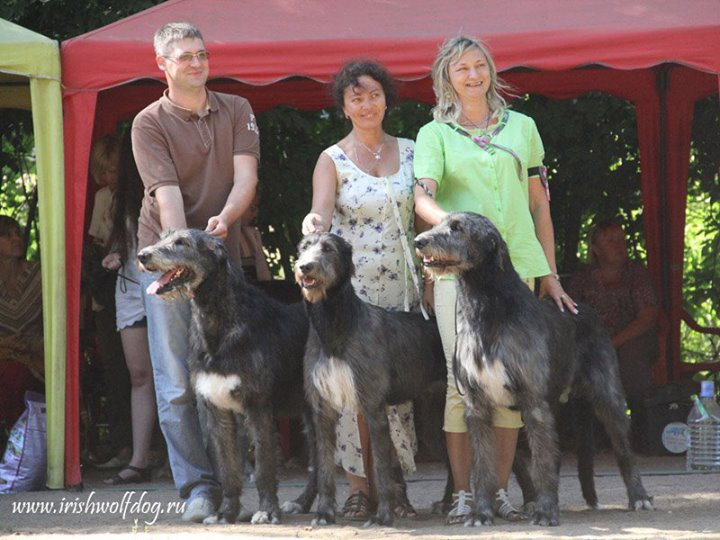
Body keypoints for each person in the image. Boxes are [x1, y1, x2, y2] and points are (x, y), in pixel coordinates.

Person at [413, 36, 577, 524]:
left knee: (516, 386)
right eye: (461, 68)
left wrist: (550, 274)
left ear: (491, 71)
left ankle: (497, 493)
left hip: (518, 269)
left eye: (479, 65)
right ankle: (466, 495)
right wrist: (453, 230)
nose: (472, 75)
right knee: (461, 386)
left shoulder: (524, 127)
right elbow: (422, 198)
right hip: (458, 273)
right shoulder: (433, 134)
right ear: (447, 77)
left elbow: (539, 204)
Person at [131, 22, 259, 522]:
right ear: (161, 64)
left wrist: (225, 223)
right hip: (167, 258)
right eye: (183, 56)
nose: (195, 62)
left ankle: (240, 486)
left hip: (221, 255)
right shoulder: (148, 122)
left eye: (201, 54)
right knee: (179, 382)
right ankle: (197, 488)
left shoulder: (238, 109)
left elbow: (246, 178)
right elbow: (167, 202)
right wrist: (184, 263)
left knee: (239, 374)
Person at [302, 60, 423, 520]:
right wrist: (313, 225)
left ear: (386, 99)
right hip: (354, 296)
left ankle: (396, 488)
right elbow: (321, 215)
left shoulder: (414, 150)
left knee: (397, 390)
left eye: (373, 94)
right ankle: (357, 489)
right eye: (356, 97)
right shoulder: (331, 159)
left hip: (405, 287)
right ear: (344, 107)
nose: (366, 103)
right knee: (353, 391)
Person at [99, 132, 158, 484]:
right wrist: (115, 255)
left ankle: (185, 456)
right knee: (139, 375)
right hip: (130, 288)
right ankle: (139, 460)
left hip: (165, 286)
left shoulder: (162, 187)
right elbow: (121, 243)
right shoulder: (119, 199)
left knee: (174, 373)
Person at [567, 219, 659, 403]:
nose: (619, 246)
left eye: (621, 240)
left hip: (630, 341)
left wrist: (613, 342)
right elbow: (569, 313)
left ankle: (642, 420)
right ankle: (589, 424)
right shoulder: (582, 278)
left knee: (632, 358)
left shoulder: (637, 275)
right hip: (592, 341)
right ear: (596, 249)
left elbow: (648, 316)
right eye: (611, 241)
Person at [87, 135, 133, 469]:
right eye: (106, 172)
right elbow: (96, 242)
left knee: (140, 373)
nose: (111, 177)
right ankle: (122, 446)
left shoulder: (135, 198)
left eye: (117, 170)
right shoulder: (103, 197)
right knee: (116, 373)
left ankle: (149, 447)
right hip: (107, 292)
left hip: (131, 287)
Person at [0, 216, 44, 440]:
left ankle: (22, 443)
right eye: (7, 235)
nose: (16, 239)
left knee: (15, 375)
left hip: (37, 353)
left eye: (17, 233)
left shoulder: (39, 275)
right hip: (5, 352)